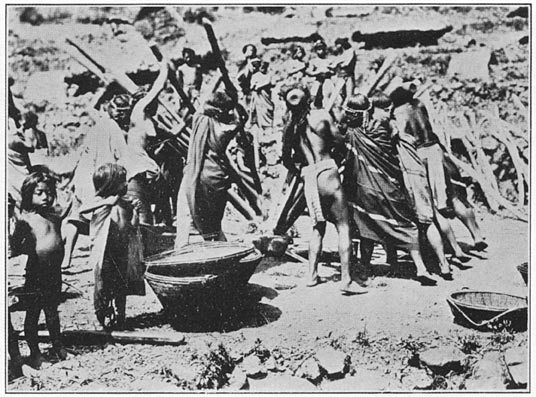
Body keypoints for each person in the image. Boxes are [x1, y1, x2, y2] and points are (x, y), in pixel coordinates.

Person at [340, 94, 438, 285]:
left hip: (365, 189)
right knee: (405, 224)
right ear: (369, 111)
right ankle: (421, 267)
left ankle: (365, 266)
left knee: (366, 225)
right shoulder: (382, 129)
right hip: (389, 188)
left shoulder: (351, 134)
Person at [281, 86, 367, 294]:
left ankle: (311, 275)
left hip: (308, 175)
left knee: (317, 227)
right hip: (327, 171)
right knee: (343, 226)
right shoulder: (320, 116)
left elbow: (286, 159)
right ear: (309, 97)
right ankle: (346, 280)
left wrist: (299, 168)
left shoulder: (289, 125)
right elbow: (339, 140)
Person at [390, 85, 471, 268]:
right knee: (438, 206)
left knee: (427, 212)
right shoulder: (418, 105)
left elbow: (400, 134)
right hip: (434, 149)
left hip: (418, 157)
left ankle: (439, 257)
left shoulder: (399, 112)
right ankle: (456, 248)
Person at [10, 172, 68, 368]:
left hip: (54, 272)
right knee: (33, 313)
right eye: (39, 193)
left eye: (49, 192)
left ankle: (58, 346)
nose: (45, 197)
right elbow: (17, 247)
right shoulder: (26, 220)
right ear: (29, 195)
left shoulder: (54, 216)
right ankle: (35, 353)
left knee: (52, 311)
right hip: (36, 272)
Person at [175, 91, 245, 247]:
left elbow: (202, 108)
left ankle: (185, 251)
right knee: (213, 222)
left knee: (187, 217)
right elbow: (239, 117)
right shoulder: (229, 127)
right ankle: (220, 248)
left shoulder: (200, 120)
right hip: (217, 176)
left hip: (198, 174)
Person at [79, 163, 145, 329]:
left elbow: (132, 226)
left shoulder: (125, 203)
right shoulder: (100, 202)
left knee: (121, 284)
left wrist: (136, 212)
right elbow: (82, 210)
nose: (126, 184)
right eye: (122, 181)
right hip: (104, 252)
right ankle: (101, 314)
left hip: (121, 250)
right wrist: (106, 202)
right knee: (102, 283)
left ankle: (121, 316)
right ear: (110, 184)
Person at [124, 57, 169, 225]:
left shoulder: (149, 119)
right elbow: (158, 87)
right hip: (137, 168)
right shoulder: (139, 110)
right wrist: (164, 68)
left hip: (145, 169)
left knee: (147, 216)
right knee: (142, 219)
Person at [249, 58, 275, 170]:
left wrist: (259, 86)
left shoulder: (268, 75)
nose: (263, 69)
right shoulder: (255, 76)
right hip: (258, 100)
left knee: (267, 115)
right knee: (259, 116)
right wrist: (255, 86)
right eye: (261, 67)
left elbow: (268, 83)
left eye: (265, 67)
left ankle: (268, 133)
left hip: (266, 99)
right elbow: (251, 86)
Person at [306, 40, 334, 109]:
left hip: (327, 80)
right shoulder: (313, 61)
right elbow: (309, 72)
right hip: (318, 80)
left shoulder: (329, 60)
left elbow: (334, 72)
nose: (320, 51)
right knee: (313, 96)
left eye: (322, 49)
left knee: (327, 96)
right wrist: (318, 72)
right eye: (318, 49)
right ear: (316, 51)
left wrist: (329, 71)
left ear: (325, 49)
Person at [330, 38, 357, 106]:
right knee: (340, 95)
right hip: (340, 76)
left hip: (348, 76)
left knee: (349, 95)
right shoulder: (342, 53)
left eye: (337, 45)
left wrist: (337, 64)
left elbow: (346, 64)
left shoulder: (350, 51)